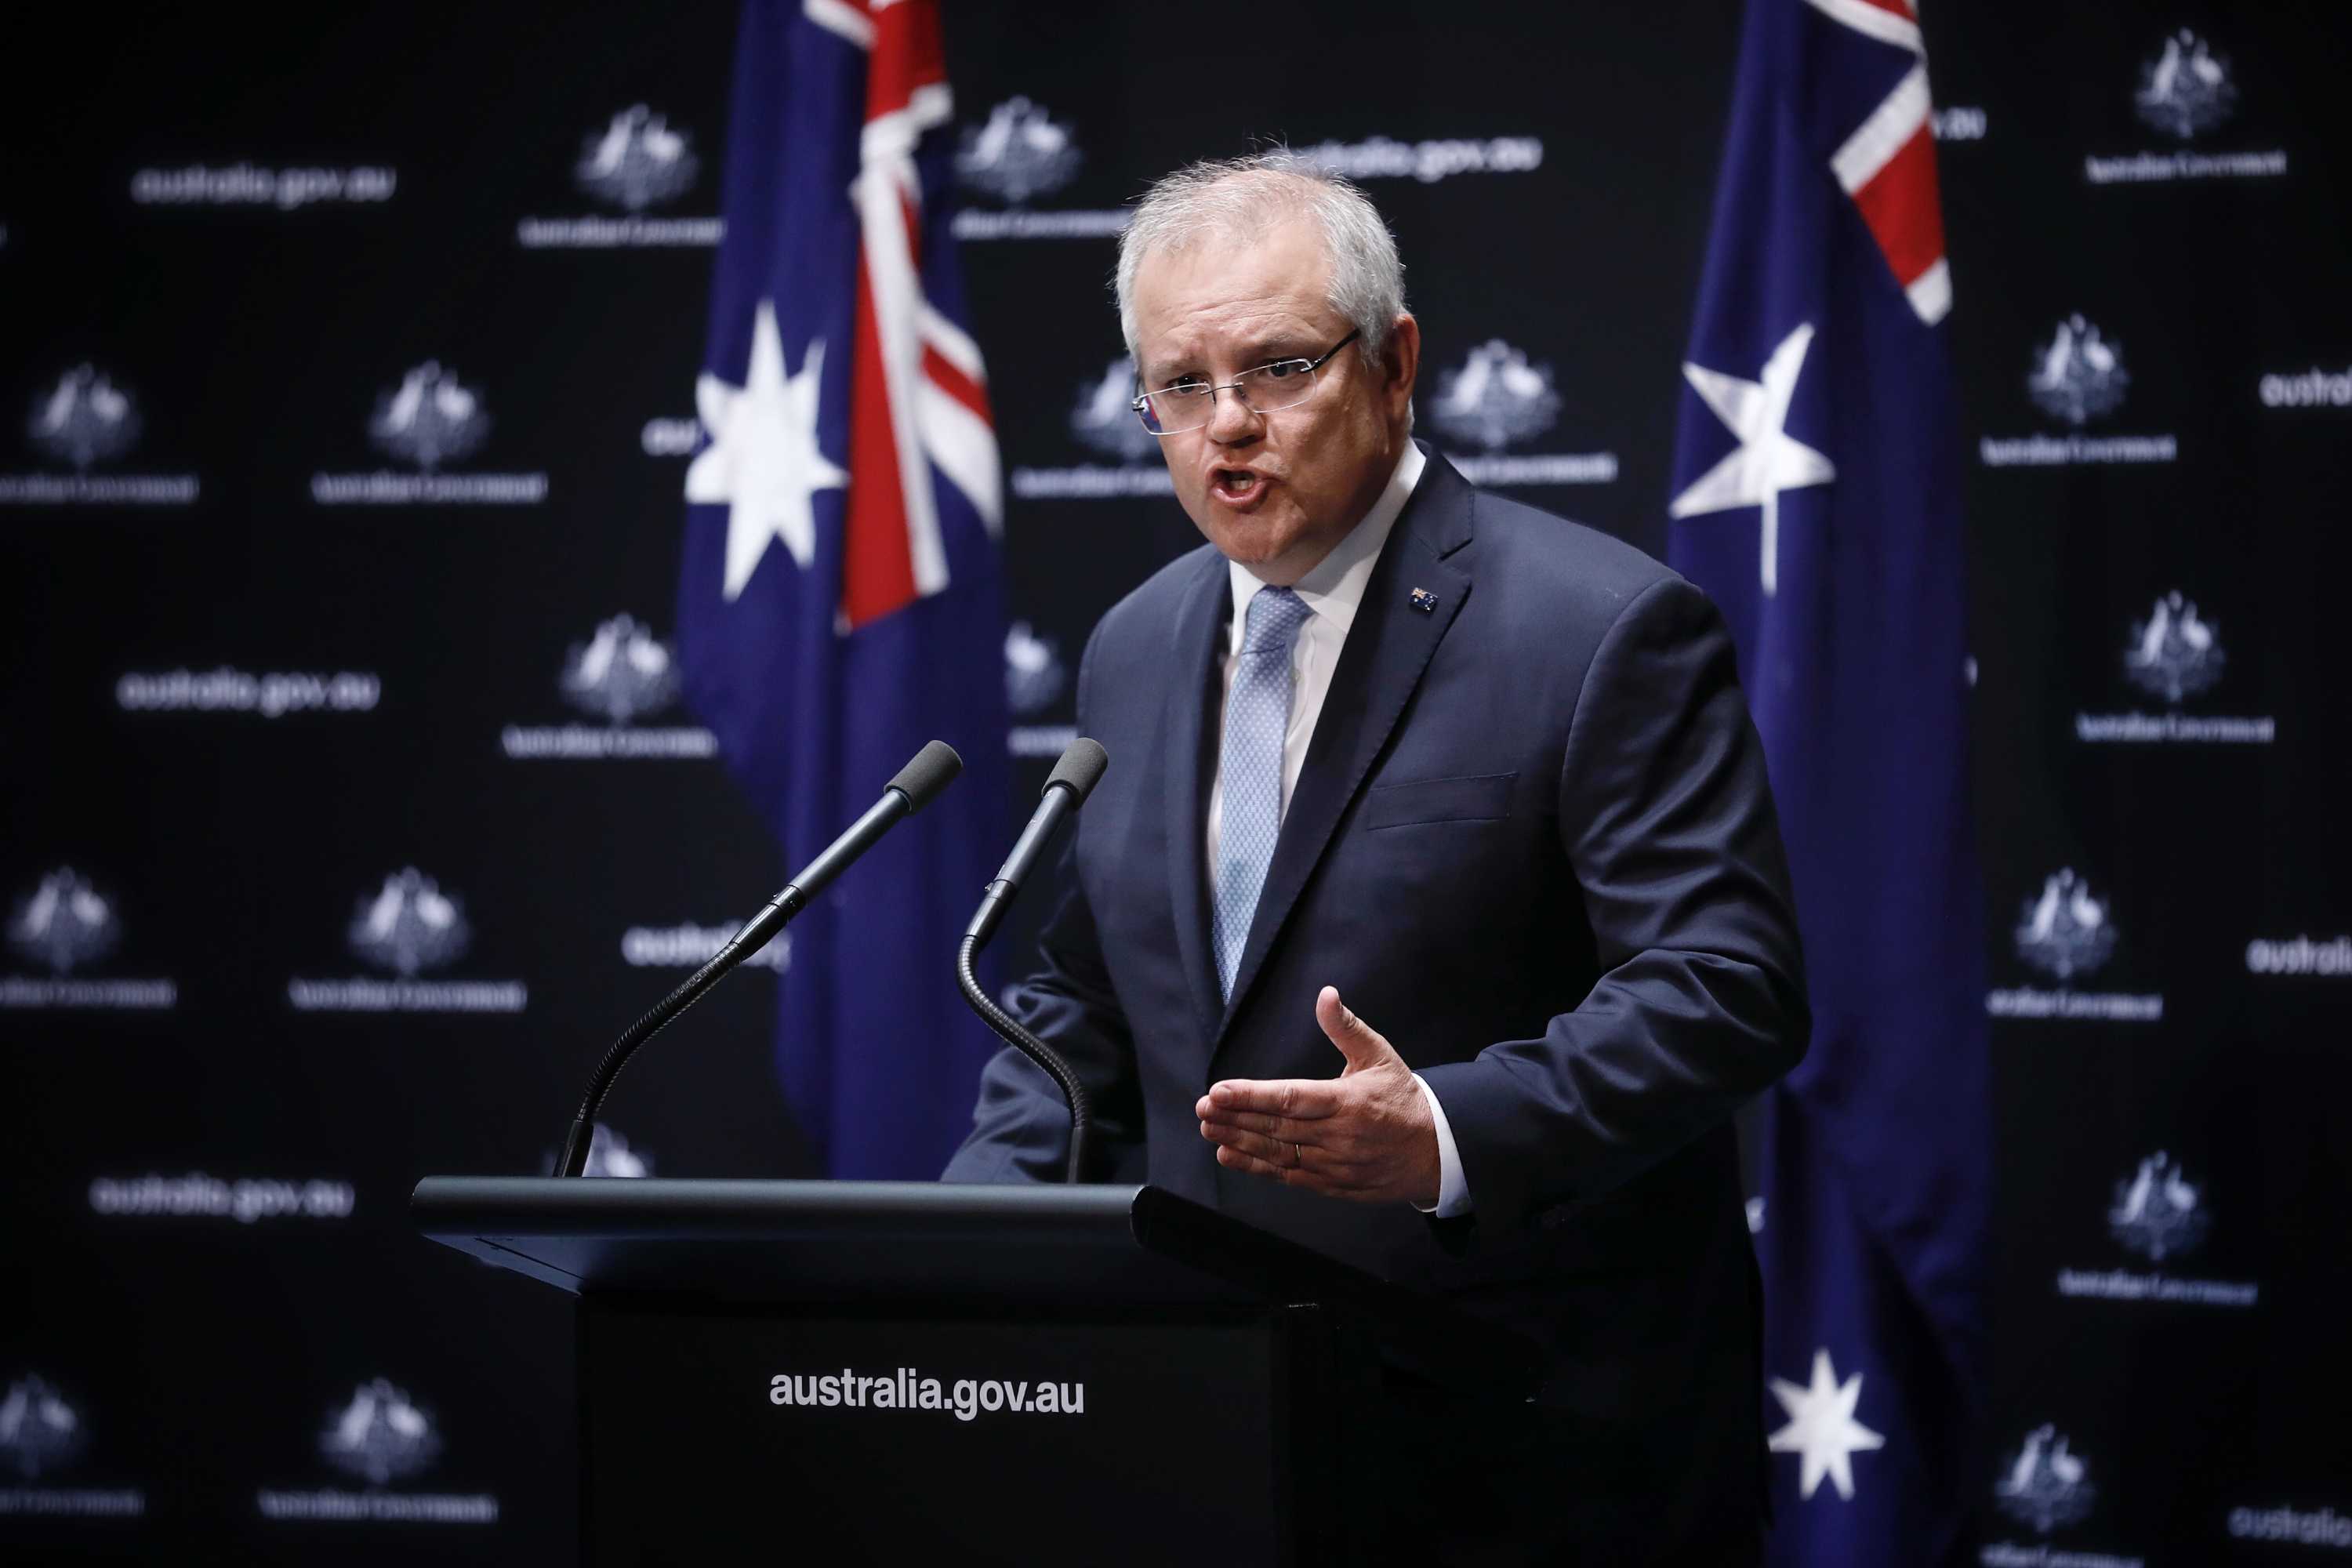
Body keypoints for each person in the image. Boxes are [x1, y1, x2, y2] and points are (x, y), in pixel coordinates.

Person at [945, 153, 1809, 1563]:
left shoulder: (1600, 628)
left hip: (1532, 1452)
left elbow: (1726, 985)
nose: (1229, 428)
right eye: (1180, 385)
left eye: (1280, 368)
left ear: (1396, 362)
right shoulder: (1138, 645)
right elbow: (1095, 1005)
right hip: (1215, 1435)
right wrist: (963, 1241)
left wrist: (1450, 1134)